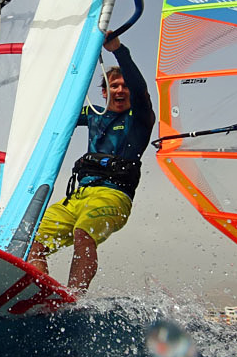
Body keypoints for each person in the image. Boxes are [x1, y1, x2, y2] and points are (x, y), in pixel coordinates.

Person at [27, 32, 155, 295]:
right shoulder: (94, 114)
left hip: (113, 196)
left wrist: (118, 50)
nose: (120, 90)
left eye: (124, 86)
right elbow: (56, 109)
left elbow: (141, 90)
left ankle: (74, 297)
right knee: (32, 239)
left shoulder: (139, 118)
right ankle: (41, 295)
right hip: (77, 197)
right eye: (114, 86)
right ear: (104, 92)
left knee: (83, 234)